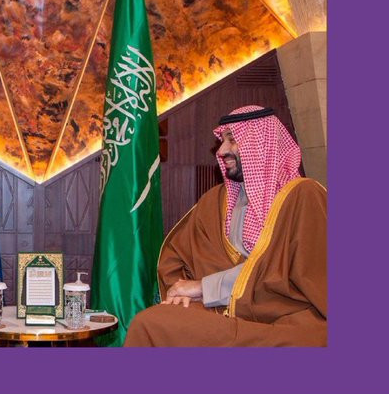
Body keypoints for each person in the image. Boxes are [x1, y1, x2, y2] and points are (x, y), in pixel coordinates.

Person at [125, 105, 326, 347]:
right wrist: (183, 293)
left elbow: (285, 273)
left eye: (232, 139)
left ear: (260, 143)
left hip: (283, 317)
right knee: (151, 323)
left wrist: (202, 287)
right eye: (222, 141)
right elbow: (176, 256)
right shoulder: (216, 201)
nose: (221, 151)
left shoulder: (304, 196)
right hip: (221, 311)